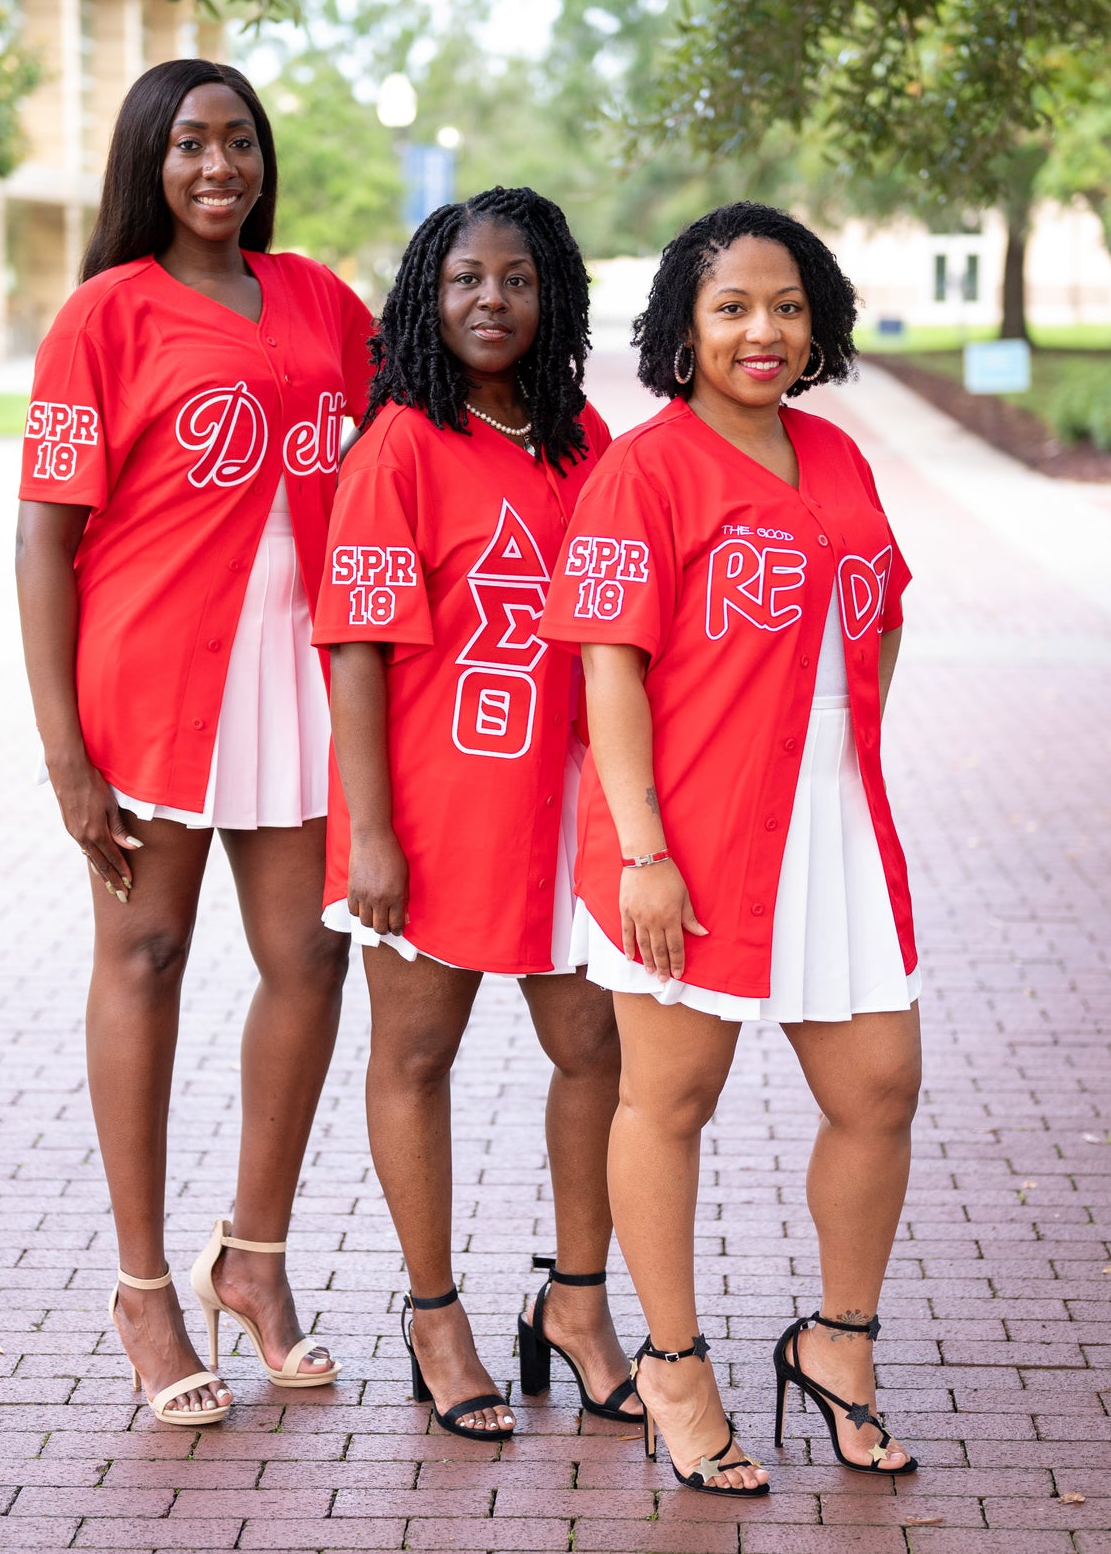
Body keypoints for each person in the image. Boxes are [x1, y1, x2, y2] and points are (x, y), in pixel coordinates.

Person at [540, 201, 921, 1493]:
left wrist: (844, 741)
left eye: (788, 306)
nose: (764, 330)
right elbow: (609, 675)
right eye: (733, 308)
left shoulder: (838, 456)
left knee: (877, 1088)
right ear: (682, 328)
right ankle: (673, 1363)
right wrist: (642, 848)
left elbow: (881, 612)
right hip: (685, 839)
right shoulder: (642, 471)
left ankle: (837, 1341)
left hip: (832, 825)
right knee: (671, 1098)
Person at [15, 60, 374, 1425]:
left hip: (299, 678)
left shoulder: (323, 302)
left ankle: (255, 1258)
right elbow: (45, 535)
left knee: (307, 956)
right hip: (151, 684)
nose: (218, 165)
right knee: (145, 953)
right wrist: (64, 752)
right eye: (189, 144)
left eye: (238, 142)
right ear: (146, 164)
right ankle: (142, 1285)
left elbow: (423, 419)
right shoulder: (104, 315)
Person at [314, 187, 641, 1443]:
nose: (489, 302)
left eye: (515, 279)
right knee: (414, 1057)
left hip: (566, 808)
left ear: (550, 293)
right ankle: (434, 1313)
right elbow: (354, 647)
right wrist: (373, 832)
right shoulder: (396, 443)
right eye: (463, 281)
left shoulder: (584, 438)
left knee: (595, 1054)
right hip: (435, 810)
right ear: (424, 298)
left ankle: (573, 1299)